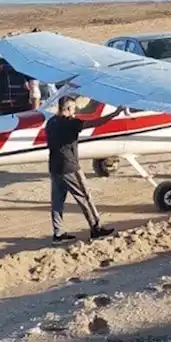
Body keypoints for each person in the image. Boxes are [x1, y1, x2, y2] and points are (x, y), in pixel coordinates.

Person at [45, 96, 122, 243]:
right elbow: (96, 123)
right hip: (70, 167)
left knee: (57, 202)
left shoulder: (51, 122)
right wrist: (115, 114)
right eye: (73, 109)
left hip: (54, 167)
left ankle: (58, 233)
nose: (75, 112)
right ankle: (96, 229)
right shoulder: (70, 123)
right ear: (67, 109)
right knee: (85, 197)